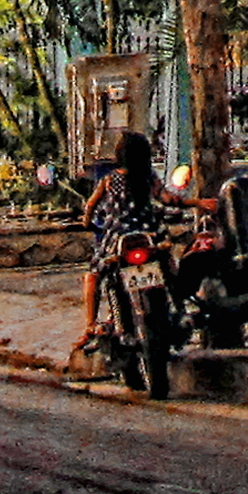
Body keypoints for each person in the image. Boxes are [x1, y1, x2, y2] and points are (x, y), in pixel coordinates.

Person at [72, 129, 171, 364]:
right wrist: (194, 202)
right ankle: (176, 303)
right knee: (168, 264)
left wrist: (86, 221)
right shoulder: (149, 177)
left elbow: (91, 207)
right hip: (149, 236)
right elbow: (167, 199)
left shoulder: (109, 179)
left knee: (93, 275)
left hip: (117, 241)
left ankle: (90, 325)